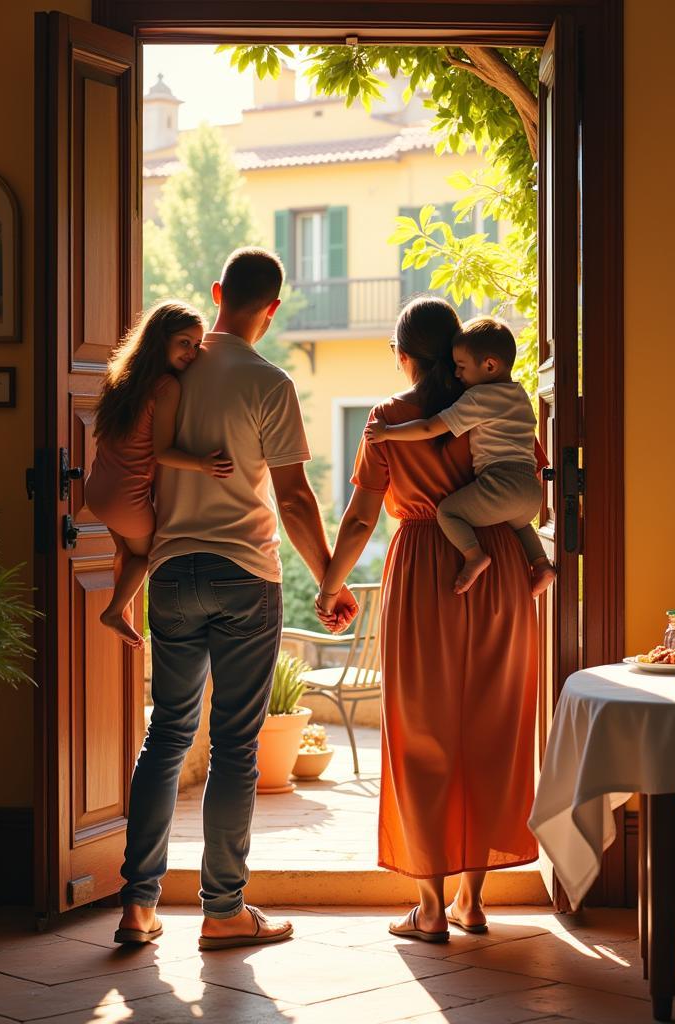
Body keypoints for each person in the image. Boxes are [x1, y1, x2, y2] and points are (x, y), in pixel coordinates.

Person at [115, 248, 357, 951]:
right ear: (274, 309)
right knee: (235, 747)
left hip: (170, 570)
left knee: (165, 736)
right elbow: (294, 499)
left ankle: (138, 905)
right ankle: (223, 912)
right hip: (245, 574)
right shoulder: (269, 383)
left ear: (218, 292)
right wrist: (329, 581)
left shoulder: (171, 371)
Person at [316, 296, 539, 943]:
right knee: (493, 727)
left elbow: (360, 519)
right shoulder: (498, 402)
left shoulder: (390, 420)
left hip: (422, 572)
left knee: (422, 733)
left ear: (406, 357)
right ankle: (474, 901)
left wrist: (330, 586)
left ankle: (432, 908)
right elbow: (530, 479)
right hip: (496, 566)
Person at [365, 315, 554, 597]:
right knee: (520, 523)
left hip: (501, 482)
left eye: (462, 367)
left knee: (448, 511)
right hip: (529, 490)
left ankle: (475, 556)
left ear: (489, 365)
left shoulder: (477, 399)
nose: (456, 374)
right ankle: (541, 563)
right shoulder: (519, 395)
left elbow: (430, 427)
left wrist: (388, 432)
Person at [87, 301, 233, 648]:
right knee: (146, 554)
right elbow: (163, 452)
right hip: (124, 499)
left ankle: (121, 610)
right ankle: (114, 611)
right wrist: (204, 464)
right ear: (160, 339)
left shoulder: (122, 376)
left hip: (96, 491)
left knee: (125, 551)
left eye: (197, 346)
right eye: (184, 342)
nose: (192, 353)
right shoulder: (166, 387)